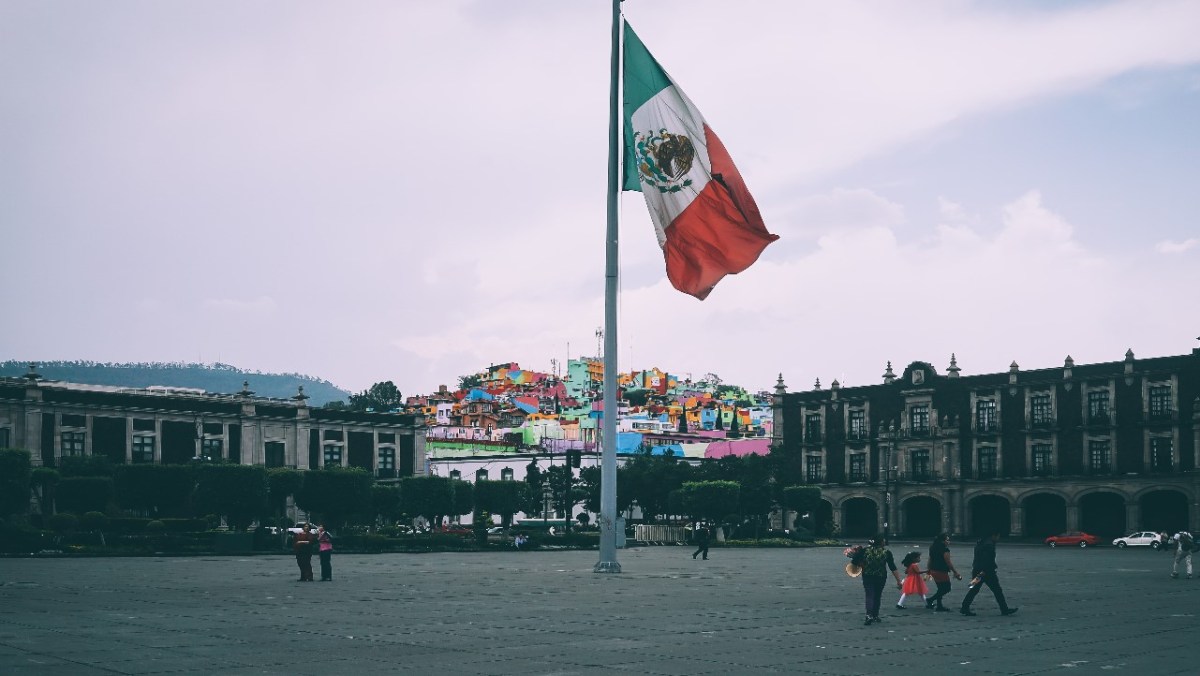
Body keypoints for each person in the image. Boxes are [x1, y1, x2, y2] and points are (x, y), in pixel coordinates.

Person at [960, 529, 1017, 616]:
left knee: (973, 589)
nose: (998, 538)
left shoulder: (981, 542)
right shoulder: (989, 545)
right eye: (998, 536)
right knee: (997, 590)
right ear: (994, 535)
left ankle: (964, 607)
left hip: (977, 570)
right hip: (986, 572)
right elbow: (987, 560)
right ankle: (1004, 609)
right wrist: (988, 570)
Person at [855, 534, 902, 625]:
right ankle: (875, 615)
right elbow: (892, 567)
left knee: (869, 595)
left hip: (867, 576)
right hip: (881, 577)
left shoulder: (865, 551)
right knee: (877, 596)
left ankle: (869, 615)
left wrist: (862, 563)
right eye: (883, 541)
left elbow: (854, 561)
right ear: (880, 542)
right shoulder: (886, 552)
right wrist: (898, 580)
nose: (884, 542)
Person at [925, 533, 963, 612]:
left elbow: (930, 559)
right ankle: (930, 600)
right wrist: (955, 572)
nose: (948, 542)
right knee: (947, 588)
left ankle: (939, 606)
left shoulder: (932, 547)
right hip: (941, 571)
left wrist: (928, 569)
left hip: (933, 570)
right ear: (942, 541)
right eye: (947, 540)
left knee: (940, 588)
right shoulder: (945, 550)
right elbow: (948, 562)